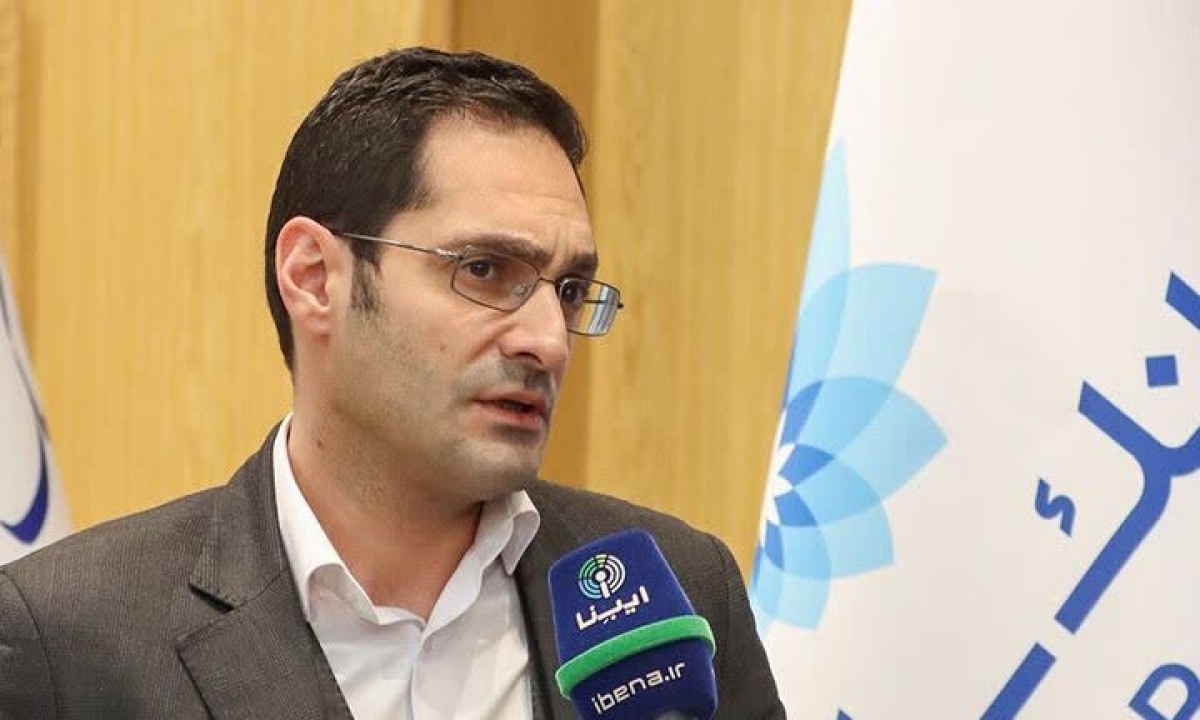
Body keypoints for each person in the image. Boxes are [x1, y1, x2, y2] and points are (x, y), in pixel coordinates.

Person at [0, 47, 784, 719]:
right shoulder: (72, 638)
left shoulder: (678, 595)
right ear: (315, 278)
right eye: (484, 270)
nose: (548, 340)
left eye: (570, 290)